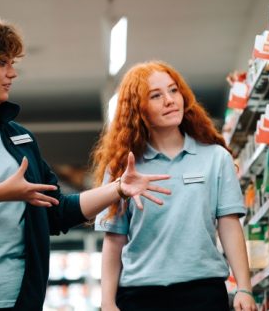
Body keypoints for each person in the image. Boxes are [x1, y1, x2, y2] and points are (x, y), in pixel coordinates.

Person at [0, 5, 171, 311]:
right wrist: (3, 193)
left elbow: (56, 210)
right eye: (0, 63)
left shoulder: (18, 139)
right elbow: (17, 193)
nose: (12, 73)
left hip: (19, 301)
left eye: (12, 63)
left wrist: (116, 188)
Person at [93, 61, 257, 311]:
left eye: (173, 90)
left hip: (203, 293)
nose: (170, 100)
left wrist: (244, 287)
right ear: (139, 110)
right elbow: (114, 239)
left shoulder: (215, 158)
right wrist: (107, 301)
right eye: (156, 96)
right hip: (140, 297)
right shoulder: (123, 168)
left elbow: (229, 224)